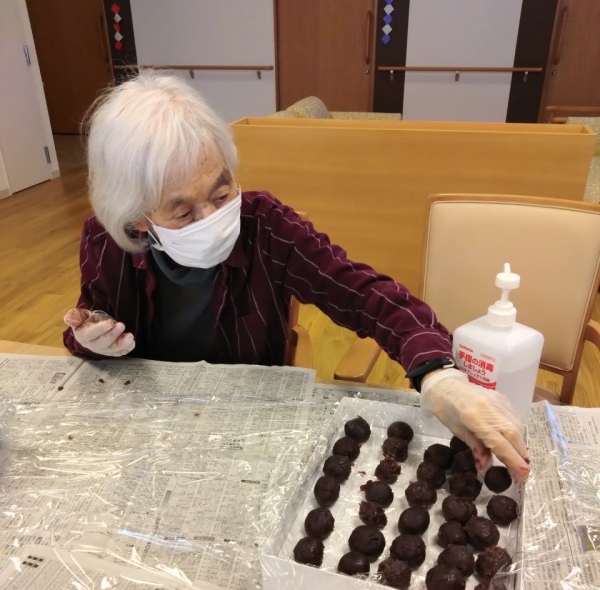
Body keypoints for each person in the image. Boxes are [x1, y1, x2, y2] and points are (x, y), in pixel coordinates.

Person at [63, 72, 529, 481]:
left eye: (221, 194)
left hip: (249, 430)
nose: (211, 219)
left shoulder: (266, 227)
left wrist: (439, 374)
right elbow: (92, 321)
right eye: (183, 212)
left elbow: (365, 295)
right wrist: (91, 339)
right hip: (152, 430)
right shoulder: (106, 242)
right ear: (138, 218)